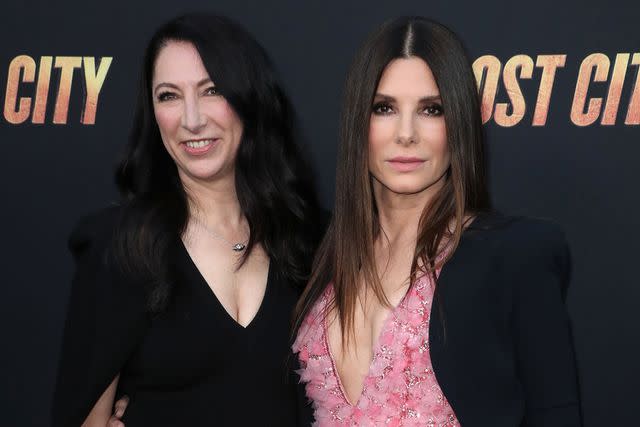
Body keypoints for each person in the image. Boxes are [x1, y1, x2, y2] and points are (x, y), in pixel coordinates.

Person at [292, 16, 581, 426]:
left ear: (459, 123)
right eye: (384, 108)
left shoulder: (513, 255)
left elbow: (556, 413)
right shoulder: (321, 254)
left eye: (431, 109)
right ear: (359, 121)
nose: (406, 133)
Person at [52, 13, 321, 427]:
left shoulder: (312, 241)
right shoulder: (120, 247)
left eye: (211, 90)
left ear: (248, 98)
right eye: (168, 96)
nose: (191, 119)